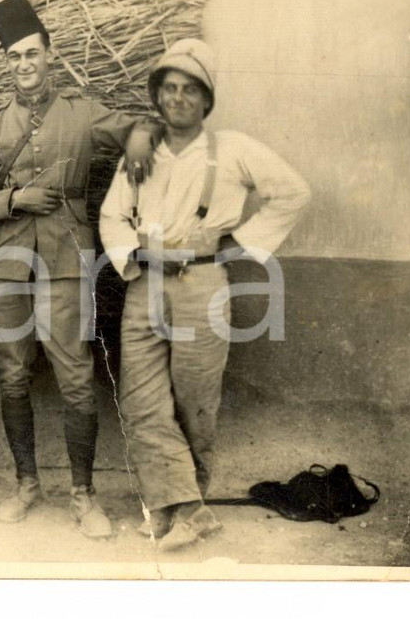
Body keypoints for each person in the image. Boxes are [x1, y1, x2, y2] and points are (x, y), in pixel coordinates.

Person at [99, 38, 312, 550]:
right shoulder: (141, 152)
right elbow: (112, 214)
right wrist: (134, 253)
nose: (178, 98)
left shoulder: (233, 149)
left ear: (206, 100)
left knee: (194, 399)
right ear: (157, 97)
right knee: (141, 400)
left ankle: (183, 506)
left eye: (190, 90)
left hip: (202, 285)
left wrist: (238, 243)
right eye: (168, 88)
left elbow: (294, 192)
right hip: (145, 285)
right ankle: (181, 510)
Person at [0, 0, 162, 539]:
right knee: (12, 375)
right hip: (2, 267)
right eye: (15, 58)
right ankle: (26, 484)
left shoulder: (83, 114)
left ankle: (82, 494)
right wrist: (14, 201)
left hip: (66, 263)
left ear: (50, 55)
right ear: (7, 65)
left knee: (76, 381)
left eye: (32, 54)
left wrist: (141, 135)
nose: (25, 66)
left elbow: (135, 129)